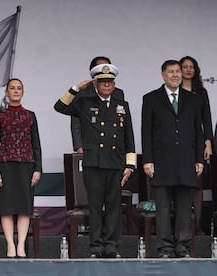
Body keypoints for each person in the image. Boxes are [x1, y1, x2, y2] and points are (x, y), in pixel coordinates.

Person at [54, 64, 136, 258]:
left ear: (114, 85)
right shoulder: (85, 103)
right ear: (96, 84)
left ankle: (111, 246)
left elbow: (129, 138)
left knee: (113, 208)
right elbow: (60, 106)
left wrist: (130, 165)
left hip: (116, 164)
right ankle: (96, 247)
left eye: (109, 82)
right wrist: (77, 88)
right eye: (102, 82)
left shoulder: (122, 105)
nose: (106, 85)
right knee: (96, 207)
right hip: (93, 164)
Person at [142, 60, 204, 258]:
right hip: (161, 162)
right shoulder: (151, 98)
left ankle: (182, 246)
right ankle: (165, 248)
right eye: (171, 72)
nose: (176, 75)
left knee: (185, 207)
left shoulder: (193, 99)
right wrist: (147, 160)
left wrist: (199, 159)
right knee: (163, 208)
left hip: (186, 161)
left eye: (178, 71)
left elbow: (198, 131)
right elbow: (146, 132)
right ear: (163, 75)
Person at [0, 78, 42, 258]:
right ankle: (10, 245)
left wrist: (38, 169)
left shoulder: (30, 115)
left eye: (19, 88)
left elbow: (36, 145)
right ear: (6, 92)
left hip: (27, 166)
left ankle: (21, 245)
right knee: (6, 207)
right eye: (12, 88)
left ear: (23, 92)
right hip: (5, 166)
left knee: (24, 207)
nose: (16, 91)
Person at [179, 56, 212, 236]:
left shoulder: (201, 92)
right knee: (179, 185)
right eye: (185, 67)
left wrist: (208, 143)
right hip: (177, 144)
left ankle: (197, 226)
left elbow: (206, 119)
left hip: (197, 142)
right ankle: (181, 226)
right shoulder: (173, 91)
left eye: (192, 67)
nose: (188, 70)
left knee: (197, 185)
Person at [70, 56, 124, 153]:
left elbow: (122, 122)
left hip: (113, 147)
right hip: (90, 146)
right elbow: (76, 123)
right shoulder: (82, 93)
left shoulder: (118, 93)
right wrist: (78, 146)